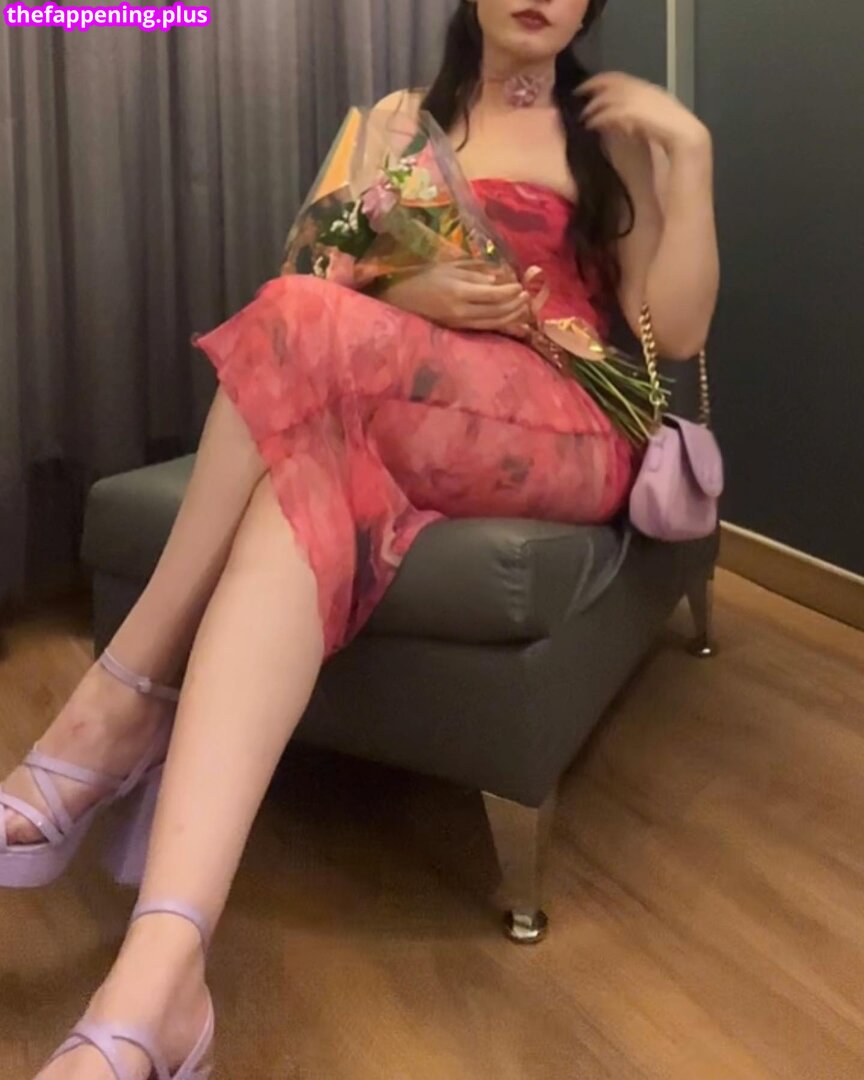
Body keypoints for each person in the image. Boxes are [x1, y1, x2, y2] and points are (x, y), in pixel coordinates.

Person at [2, 1, 719, 1076]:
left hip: (559, 424)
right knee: (292, 502)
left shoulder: (605, 132)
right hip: (402, 407)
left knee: (296, 324)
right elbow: (316, 261)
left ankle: (120, 698)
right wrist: (415, 286)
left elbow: (679, 330)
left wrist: (689, 158)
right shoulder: (395, 120)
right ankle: (161, 978)